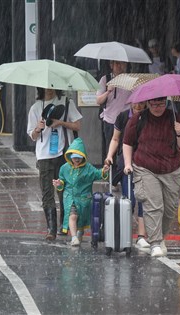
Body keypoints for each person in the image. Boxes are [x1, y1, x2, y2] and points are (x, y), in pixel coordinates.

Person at [123, 97, 180, 257]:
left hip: (171, 168)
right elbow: (127, 142)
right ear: (148, 103)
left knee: (169, 208)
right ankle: (154, 242)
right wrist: (127, 163)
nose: (157, 107)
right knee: (154, 205)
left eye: (161, 104)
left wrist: (179, 132)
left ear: (166, 103)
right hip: (145, 168)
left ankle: (160, 238)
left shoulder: (174, 117)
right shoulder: (138, 118)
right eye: (154, 104)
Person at [27, 88, 82, 240]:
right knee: (47, 192)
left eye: (51, 86)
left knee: (64, 191)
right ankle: (51, 229)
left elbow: (77, 126)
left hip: (64, 154)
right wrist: (38, 128)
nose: (48, 89)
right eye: (45, 86)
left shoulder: (66, 102)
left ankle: (64, 226)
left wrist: (61, 123)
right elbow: (32, 136)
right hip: (44, 155)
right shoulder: (35, 107)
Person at [104, 101, 150, 248]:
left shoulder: (149, 117)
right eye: (136, 103)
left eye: (142, 104)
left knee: (144, 199)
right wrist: (110, 155)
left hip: (145, 162)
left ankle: (142, 235)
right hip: (126, 163)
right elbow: (115, 138)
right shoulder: (123, 117)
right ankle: (126, 233)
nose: (138, 106)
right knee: (129, 199)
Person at [53, 138, 109, 246]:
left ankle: (79, 232)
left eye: (79, 157)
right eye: (75, 157)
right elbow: (62, 181)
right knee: (72, 216)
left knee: (82, 219)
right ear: (70, 156)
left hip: (84, 200)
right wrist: (59, 184)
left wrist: (104, 171)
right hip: (70, 198)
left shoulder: (88, 168)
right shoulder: (64, 168)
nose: (77, 160)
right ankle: (74, 237)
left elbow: (98, 174)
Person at [96, 60, 132, 164]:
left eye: (122, 63)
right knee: (110, 149)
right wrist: (108, 91)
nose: (120, 66)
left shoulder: (130, 80)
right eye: (117, 63)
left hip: (126, 119)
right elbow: (98, 100)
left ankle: (123, 173)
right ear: (111, 65)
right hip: (110, 120)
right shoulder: (105, 79)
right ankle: (110, 173)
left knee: (125, 147)